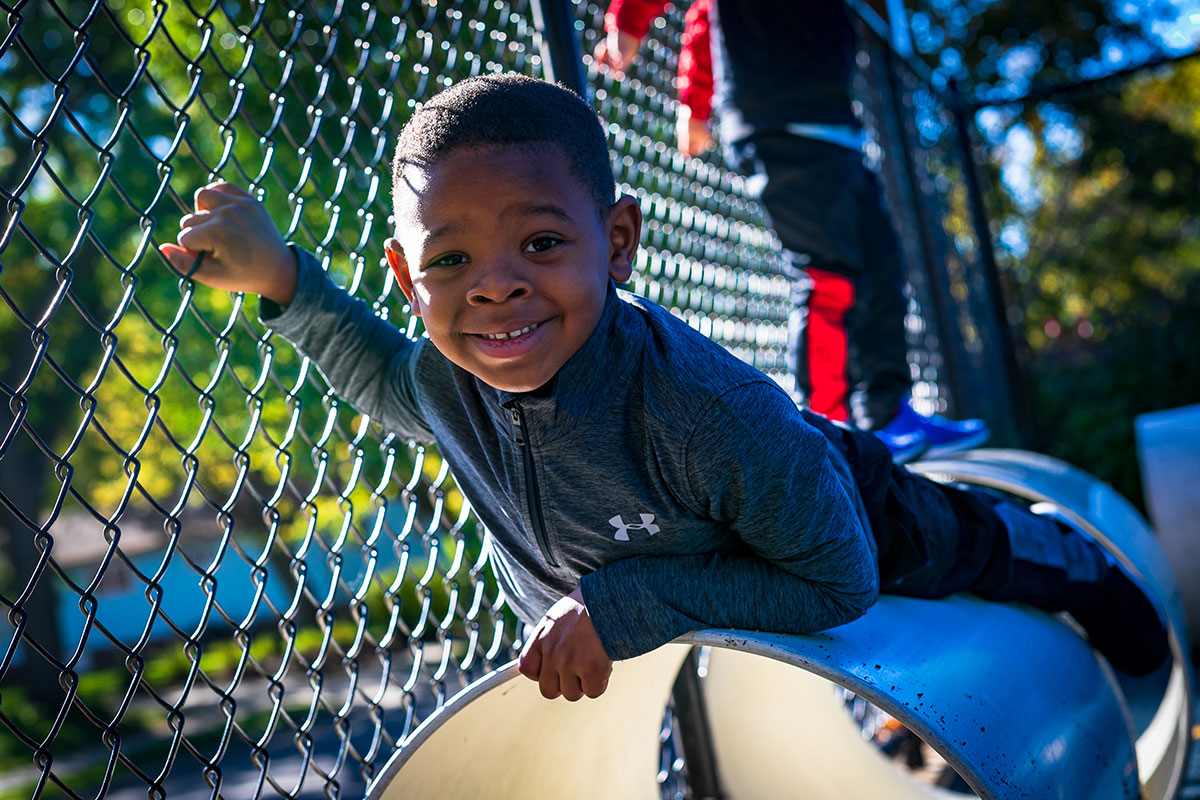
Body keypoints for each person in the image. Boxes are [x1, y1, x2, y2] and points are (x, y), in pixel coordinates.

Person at [159, 74, 1166, 704]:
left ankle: (1065, 553)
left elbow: (839, 582)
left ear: (619, 241)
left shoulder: (701, 409)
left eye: (540, 242)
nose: (494, 284)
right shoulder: (446, 376)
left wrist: (619, 603)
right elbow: (381, 374)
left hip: (840, 509)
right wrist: (282, 279)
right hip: (681, 557)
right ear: (406, 277)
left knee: (962, 547)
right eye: (450, 259)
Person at [594, 0, 990, 462]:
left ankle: (885, 414)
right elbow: (707, 11)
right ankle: (831, 430)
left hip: (838, 130)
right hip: (777, 118)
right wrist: (672, 74)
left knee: (884, 270)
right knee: (831, 276)